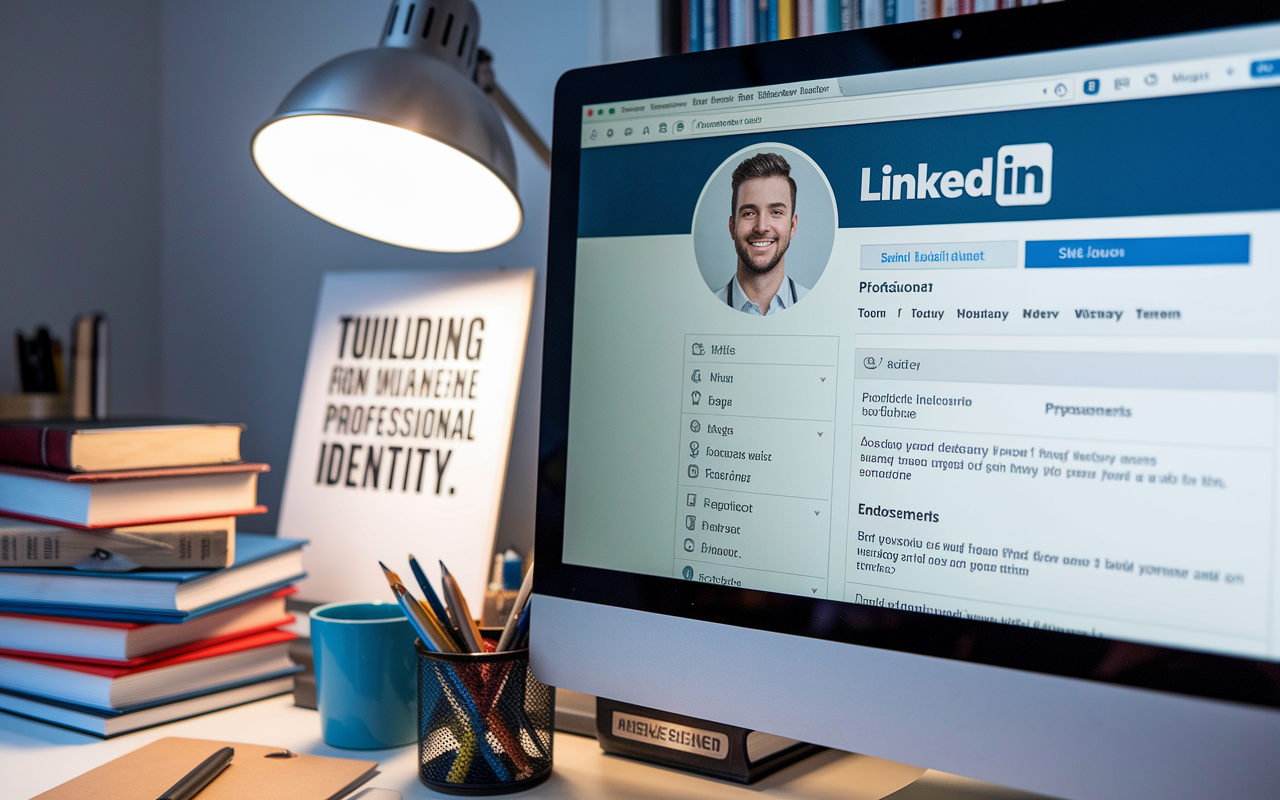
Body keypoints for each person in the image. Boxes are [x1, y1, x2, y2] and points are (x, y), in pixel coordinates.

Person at [714, 152, 810, 315]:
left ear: (792, 226)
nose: (762, 227)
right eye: (749, 213)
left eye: (776, 212)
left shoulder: (817, 308)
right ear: (732, 227)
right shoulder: (701, 310)